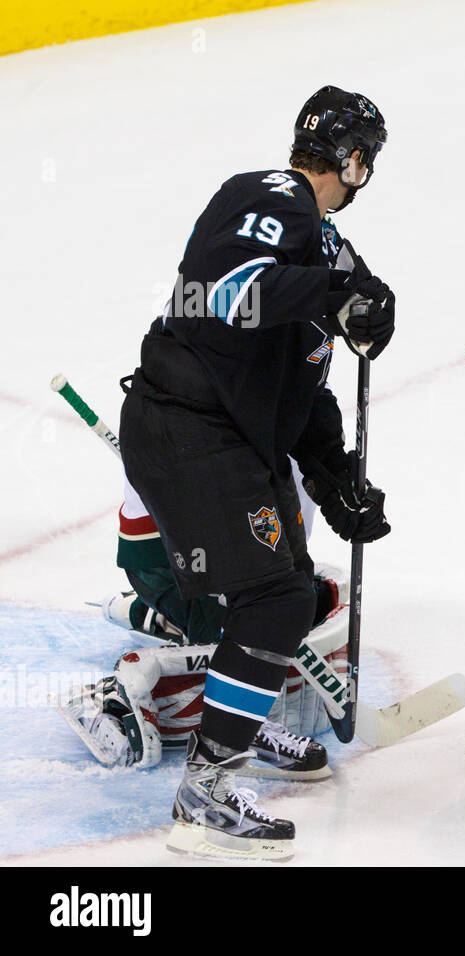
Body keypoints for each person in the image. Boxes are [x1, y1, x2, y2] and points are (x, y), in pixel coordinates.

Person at [118, 86, 395, 860]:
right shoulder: (273, 196)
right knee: (274, 597)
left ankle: (239, 729)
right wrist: (336, 294)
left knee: (287, 589)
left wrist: (336, 478)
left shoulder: (327, 249)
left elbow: (299, 387)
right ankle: (207, 795)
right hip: (185, 426)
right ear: (355, 160)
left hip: (227, 436)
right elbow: (230, 296)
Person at [57, 472, 347, 780]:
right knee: (253, 631)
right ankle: (238, 722)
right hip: (177, 556)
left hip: (232, 547)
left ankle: (162, 615)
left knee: (300, 602)